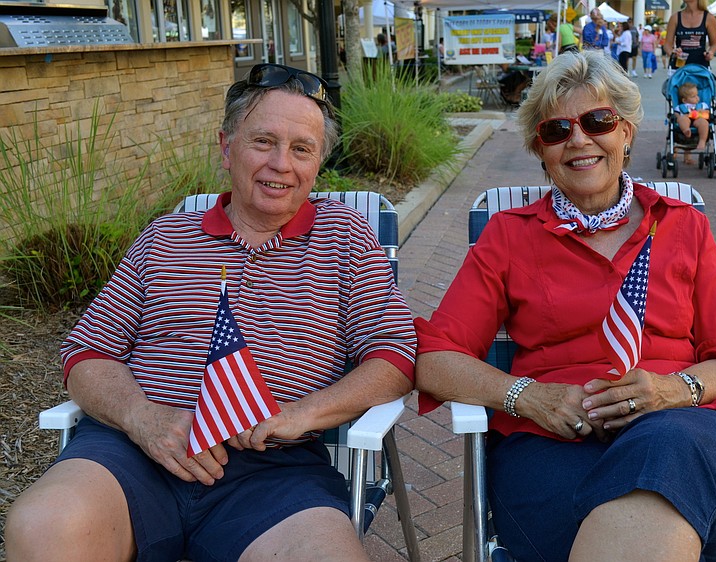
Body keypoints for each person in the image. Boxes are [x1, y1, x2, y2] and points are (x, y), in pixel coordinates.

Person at [5, 64, 417, 562]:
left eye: (301, 149)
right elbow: (87, 352)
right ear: (227, 147)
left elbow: (395, 355)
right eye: (263, 141)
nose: (281, 164)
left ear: (317, 163)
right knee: (43, 529)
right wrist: (144, 419)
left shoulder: (345, 236)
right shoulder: (166, 236)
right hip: (134, 455)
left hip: (274, 473)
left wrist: (298, 414)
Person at [414, 50, 716, 562]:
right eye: (557, 130)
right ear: (540, 149)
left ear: (625, 132)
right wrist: (528, 396)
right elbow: (434, 359)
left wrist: (675, 390)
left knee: (664, 447)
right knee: (650, 487)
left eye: (598, 121)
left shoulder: (683, 227)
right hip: (555, 451)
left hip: (698, 436)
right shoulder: (510, 237)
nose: (579, 139)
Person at [664, 0, 716, 72]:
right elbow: (667, 45)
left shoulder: (709, 18)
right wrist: (673, 54)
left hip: (701, 68)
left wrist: (710, 53)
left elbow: (714, 44)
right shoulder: (675, 17)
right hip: (679, 68)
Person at [674, 82, 711, 162]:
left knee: (704, 123)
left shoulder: (702, 105)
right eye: (693, 96)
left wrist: (703, 112)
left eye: (697, 95)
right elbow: (676, 115)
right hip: (686, 118)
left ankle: (702, 141)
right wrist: (679, 117)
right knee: (682, 119)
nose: (697, 98)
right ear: (684, 100)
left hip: (698, 119)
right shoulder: (680, 107)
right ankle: (686, 130)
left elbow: (708, 114)